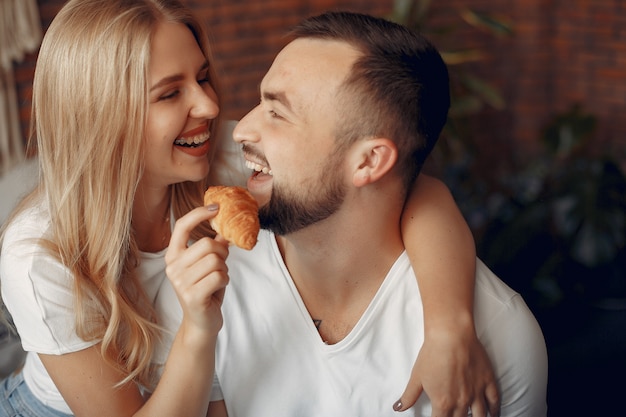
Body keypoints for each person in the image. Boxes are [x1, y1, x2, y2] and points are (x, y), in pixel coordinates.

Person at [0, 1, 496, 416]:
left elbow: (416, 189)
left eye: (203, 78)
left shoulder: (221, 163)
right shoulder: (40, 256)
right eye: (170, 94)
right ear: (100, 116)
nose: (211, 108)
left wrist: (449, 326)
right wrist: (199, 327)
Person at [165, 11, 548, 417]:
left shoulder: (499, 338)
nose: (241, 130)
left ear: (369, 161)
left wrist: (448, 327)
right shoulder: (209, 287)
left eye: (278, 113)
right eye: (261, 103)